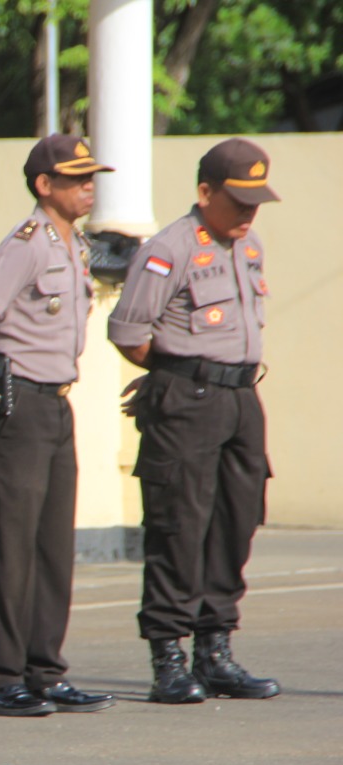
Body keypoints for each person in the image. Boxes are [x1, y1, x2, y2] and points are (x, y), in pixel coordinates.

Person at [108, 138, 281, 704]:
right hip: (188, 399)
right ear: (205, 193)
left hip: (240, 401)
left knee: (236, 522)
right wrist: (176, 373)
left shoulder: (248, 245)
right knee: (178, 527)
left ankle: (215, 651)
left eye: (255, 201)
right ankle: (169, 658)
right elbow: (129, 331)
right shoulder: (169, 249)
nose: (248, 212)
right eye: (238, 200)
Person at [0, 134, 118, 717]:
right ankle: (1, 678)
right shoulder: (26, 244)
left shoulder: (74, 246)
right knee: (10, 545)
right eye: (76, 179)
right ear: (45, 185)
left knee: (52, 546)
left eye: (91, 177)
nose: (88, 187)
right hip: (16, 403)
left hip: (53, 401)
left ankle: (44, 672)